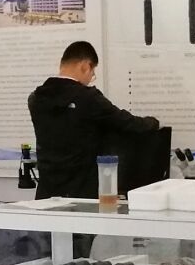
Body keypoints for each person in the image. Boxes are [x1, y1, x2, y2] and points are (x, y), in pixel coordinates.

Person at [27, 40, 159, 200]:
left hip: (46, 194)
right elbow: (127, 122)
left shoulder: (36, 99)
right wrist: (153, 122)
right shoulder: (88, 98)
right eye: (92, 72)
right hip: (81, 194)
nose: (91, 78)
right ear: (85, 66)